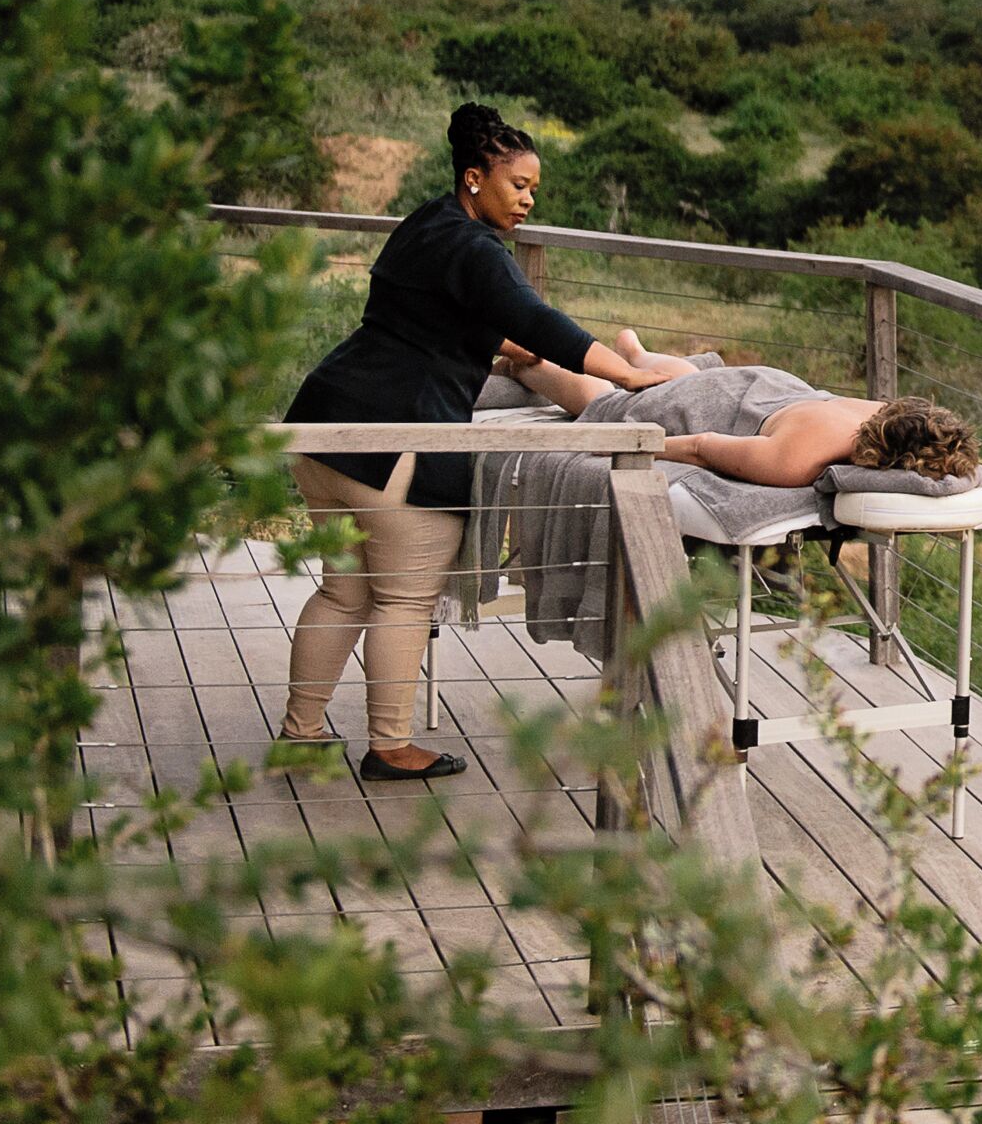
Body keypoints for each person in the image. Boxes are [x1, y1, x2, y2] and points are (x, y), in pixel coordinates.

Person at [275, 102, 686, 779]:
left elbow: (426, 314)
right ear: (475, 178)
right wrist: (630, 375)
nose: (527, 200)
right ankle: (389, 745)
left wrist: (489, 349)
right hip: (395, 439)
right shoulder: (477, 249)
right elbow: (538, 318)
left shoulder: (426, 224)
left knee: (344, 591)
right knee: (403, 598)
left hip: (325, 424)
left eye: (533, 190)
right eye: (518, 185)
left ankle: (303, 731)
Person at [491, 345, 981, 491]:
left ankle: (636, 352)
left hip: (765, 384)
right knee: (601, 399)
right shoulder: (798, 459)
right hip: (714, 404)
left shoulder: (880, 411)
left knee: (677, 378)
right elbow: (703, 446)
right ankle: (525, 364)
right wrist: (627, 439)